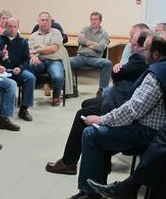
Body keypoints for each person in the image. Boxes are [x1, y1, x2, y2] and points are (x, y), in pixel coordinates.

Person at [67, 33, 166, 199]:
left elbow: (133, 109)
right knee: (104, 123)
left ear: (156, 54)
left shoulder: (157, 74)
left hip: (152, 132)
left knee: (92, 133)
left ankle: (89, 193)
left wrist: (101, 119)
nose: (142, 52)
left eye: (146, 49)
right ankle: (96, 189)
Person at [46, 30, 150, 175]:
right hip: (119, 96)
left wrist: (118, 70)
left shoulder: (139, 58)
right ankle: (102, 159)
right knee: (86, 104)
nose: (130, 38)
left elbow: (117, 73)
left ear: (141, 46)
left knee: (81, 114)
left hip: (121, 103)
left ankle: (69, 162)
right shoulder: (138, 54)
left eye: (133, 36)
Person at [0, 17, 35, 121]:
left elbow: (26, 60)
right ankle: (2, 112)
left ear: (18, 27)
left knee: (30, 78)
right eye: (10, 26)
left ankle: (24, 109)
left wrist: (20, 68)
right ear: (5, 26)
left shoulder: (23, 41)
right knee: (0, 83)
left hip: (17, 70)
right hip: (2, 71)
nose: (12, 29)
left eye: (15, 27)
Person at [70, 12, 112, 97]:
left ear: (100, 21)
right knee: (66, 62)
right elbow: (80, 40)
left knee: (108, 63)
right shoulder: (85, 29)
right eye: (92, 19)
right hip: (81, 56)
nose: (93, 21)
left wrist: (86, 43)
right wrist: (94, 43)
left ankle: (102, 90)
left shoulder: (104, 34)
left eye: (96, 19)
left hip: (95, 58)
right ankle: (72, 89)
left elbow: (100, 48)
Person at [29, 11, 65, 106]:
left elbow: (53, 49)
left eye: (46, 20)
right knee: (29, 66)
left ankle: (56, 97)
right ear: (38, 21)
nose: (44, 22)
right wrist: (32, 56)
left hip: (54, 61)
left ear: (50, 22)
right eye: (42, 20)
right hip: (39, 61)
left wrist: (37, 51)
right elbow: (29, 51)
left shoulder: (56, 32)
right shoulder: (33, 36)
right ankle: (28, 98)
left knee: (58, 77)